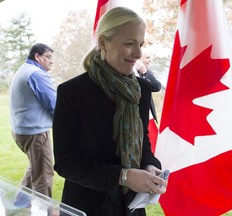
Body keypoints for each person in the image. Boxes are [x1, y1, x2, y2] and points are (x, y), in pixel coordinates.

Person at [53, 7, 167, 216]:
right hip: (87, 207)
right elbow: (66, 163)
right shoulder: (72, 92)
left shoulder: (141, 89)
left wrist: (150, 165)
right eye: (129, 44)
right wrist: (123, 177)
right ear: (104, 42)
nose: (138, 53)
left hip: (132, 206)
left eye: (140, 44)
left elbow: (143, 143)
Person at [9, 43, 56, 198]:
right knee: (43, 176)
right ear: (37, 56)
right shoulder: (36, 74)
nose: (51, 61)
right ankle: (45, 212)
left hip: (22, 132)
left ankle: (19, 204)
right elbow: (54, 105)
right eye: (48, 57)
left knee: (35, 169)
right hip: (35, 134)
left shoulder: (24, 70)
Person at [135, 48, 162, 123]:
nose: (150, 60)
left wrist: (145, 72)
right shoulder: (130, 73)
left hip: (149, 118)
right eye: (147, 57)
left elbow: (157, 87)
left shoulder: (146, 72)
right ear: (138, 59)